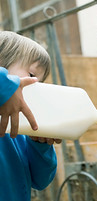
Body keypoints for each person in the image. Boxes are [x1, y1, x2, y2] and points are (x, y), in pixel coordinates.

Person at [0, 31, 61, 201]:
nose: (36, 86)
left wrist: (39, 146)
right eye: (32, 75)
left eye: (40, 82)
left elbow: (39, 181)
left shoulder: (21, 126)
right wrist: (6, 87)